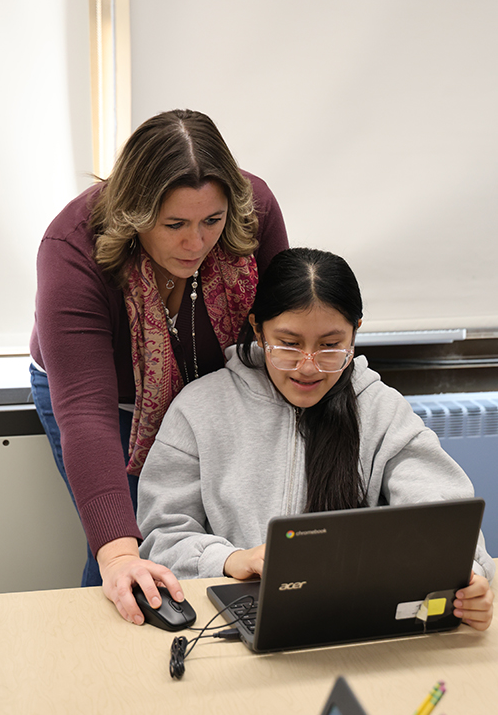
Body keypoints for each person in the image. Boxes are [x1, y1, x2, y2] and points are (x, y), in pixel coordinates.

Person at [138, 247, 495, 631]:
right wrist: (229, 560)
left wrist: (469, 581)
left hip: (356, 624)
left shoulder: (381, 409)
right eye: (289, 344)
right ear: (258, 329)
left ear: (355, 331)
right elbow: (161, 536)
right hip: (228, 623)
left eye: (329, 346)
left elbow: (444, 517)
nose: (308, 367)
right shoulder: (200, 408)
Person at [29, 109, 288, 624]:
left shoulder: (253, 208)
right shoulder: (71, 246)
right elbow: (86, 413)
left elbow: (285, 324)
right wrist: (120, 556)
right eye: (174, 225)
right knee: (131, 549)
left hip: (216, 386)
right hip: (106, 400)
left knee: (225, 528)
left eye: (211, 222)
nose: (196, 243)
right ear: (134, 213)